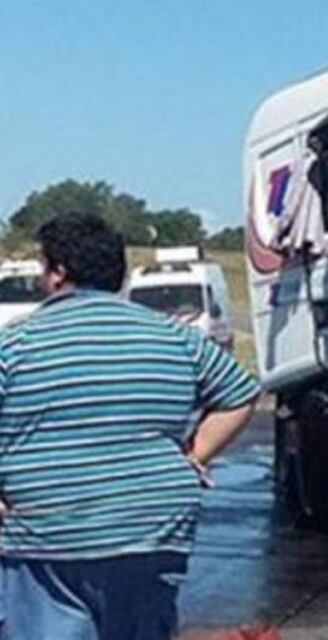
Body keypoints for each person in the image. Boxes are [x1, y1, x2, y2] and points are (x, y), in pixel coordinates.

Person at [0, 213, 260, 639]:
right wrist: (194, 456)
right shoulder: (174, 337)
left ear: (58, 272)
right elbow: (241, 394)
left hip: (48, 532)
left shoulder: (15, 343)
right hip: (152, 527)